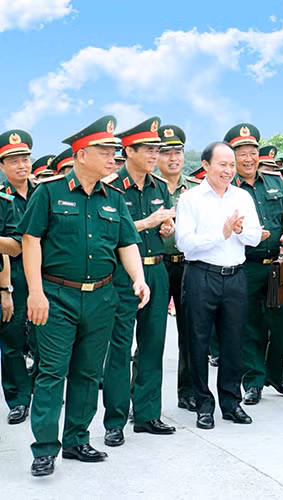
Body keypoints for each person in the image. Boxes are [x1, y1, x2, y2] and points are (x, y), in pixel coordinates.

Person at [21, 115, 149, 476]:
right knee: (51, 372)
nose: (113, 157)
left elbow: (127, 243)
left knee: (88, 373)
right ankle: (45, 448)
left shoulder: (115, 199)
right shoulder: (50, 192)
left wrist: (139, 279)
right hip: (56, 296)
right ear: (80, 154)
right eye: (105, 150)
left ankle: (77, 440)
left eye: (115, 151)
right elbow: (31, 241)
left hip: (102, 297)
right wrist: (35, 293)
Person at [176, 141, 261, 430]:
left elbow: (255, 237)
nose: (228, 170)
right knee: (198, 342)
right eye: (223, 164)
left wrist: (240, 231)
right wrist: (222, 233)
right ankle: (203, 404)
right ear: (206, 166)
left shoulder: (242, 197)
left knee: (233, 342)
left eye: (232, 165)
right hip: (201, 276)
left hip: (235, 276)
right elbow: (185, 244)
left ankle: (230, 402)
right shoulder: (191, 199)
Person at [102, 117, 175, 447]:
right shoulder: (111, 186)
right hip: (123, 275)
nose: (155, 155)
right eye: (149, 149)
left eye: (157, 149)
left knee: (152, 345)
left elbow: (166, 221)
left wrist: (166, 228)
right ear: (128, 151)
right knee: (119, 349)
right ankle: (115, 421)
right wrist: (148, 222)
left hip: (157, 270)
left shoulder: (161, 187)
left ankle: (147, 415)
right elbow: (112, 233)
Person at [223, 124, 283, 405]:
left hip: (278, 265)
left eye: (252, 152)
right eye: (241, 154)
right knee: (250, 325)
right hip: (245, 265)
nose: (248, 159)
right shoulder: (227, 189)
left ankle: (276, 376)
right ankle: (253, 381)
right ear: (232, 157)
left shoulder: (275, 181)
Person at [155, 124, 201, 412]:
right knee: (151, 335)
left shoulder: (197, 190)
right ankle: (144, 397)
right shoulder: (148, 188)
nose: (173, 158)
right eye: (166, 152)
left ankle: (188, 392)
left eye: (178, 152)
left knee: (191, 333)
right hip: (157, 266)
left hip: (189, 267)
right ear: (155, 157)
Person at [0, 129, 31, 426]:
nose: (21, 165)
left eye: (24, 159)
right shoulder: (1, 198)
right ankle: (18, 400)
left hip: (46, 275)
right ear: (2, 166)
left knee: (42, 338)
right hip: (13, 277)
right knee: (11, 342)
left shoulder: (43, 191)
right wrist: (4, 289)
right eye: (13, 160)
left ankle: (38, 389)